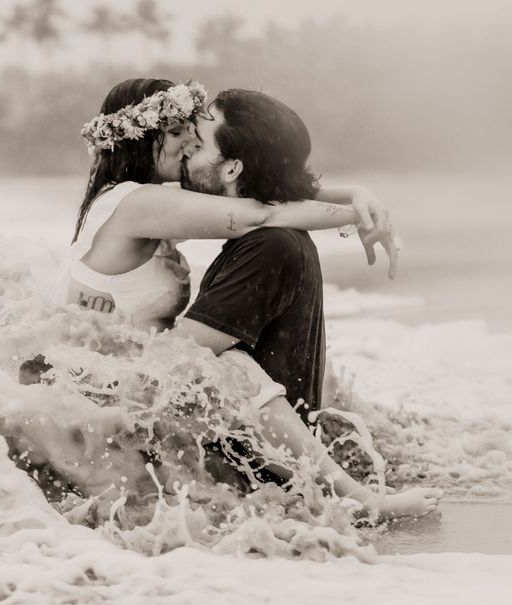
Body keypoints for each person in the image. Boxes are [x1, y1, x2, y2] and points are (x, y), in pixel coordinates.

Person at [29, 78, 439, 518]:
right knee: (228, 363)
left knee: (218, 356)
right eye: (174, 132)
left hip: (119, 378)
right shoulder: (137, 203)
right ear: (139, 139)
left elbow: (267, 188)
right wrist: (359, 213)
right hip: (101, 388)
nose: (187, 141)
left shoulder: (137, 199)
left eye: (192, 129)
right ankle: (358, 500)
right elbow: (260, 212)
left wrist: (359, 195)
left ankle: (321, 468)